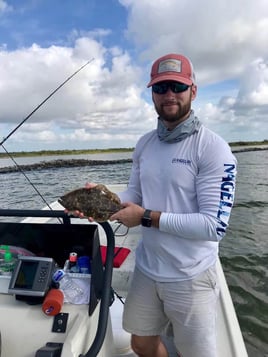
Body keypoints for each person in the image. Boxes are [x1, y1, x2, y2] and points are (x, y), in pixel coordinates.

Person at [81, 53, 237, 357]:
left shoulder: (213, 148)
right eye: (160, 87)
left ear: (193, 90)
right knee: (140, 343)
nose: (168, 95)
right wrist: (101, 201)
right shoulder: (145, 144)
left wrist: (147, 218)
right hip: (148, 269)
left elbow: (213, 226)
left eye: (177, 87)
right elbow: (135, 194)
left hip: (191, 275)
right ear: (152, 92)